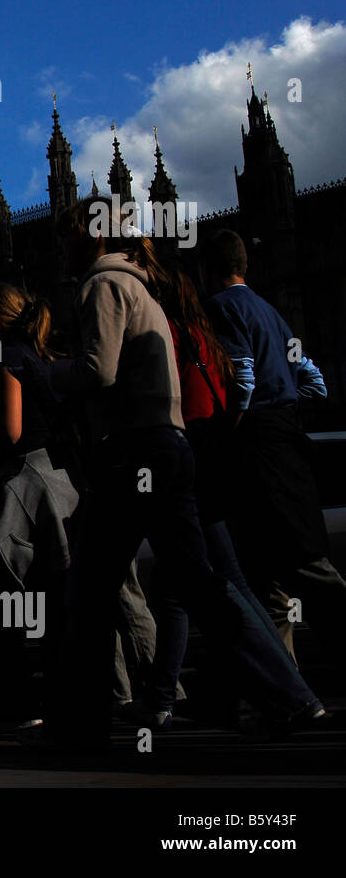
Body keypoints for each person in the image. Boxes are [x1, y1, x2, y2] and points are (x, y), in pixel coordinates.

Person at [41, 197, 324, 750]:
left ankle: (77, 727)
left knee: (89, 592)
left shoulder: (103, 284)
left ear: (92, 239)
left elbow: (99, 372)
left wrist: (50, 373)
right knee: (204, 587)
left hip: (133, 453)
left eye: (66, 239)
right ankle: (294, 698)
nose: (59, 250)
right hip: (168, 447)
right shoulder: (142, 284)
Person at [135, 260, 320, 729]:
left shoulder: (173, 337)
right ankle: (270, 693)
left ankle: (279, 695)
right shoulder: (209, 335)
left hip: (189, 459)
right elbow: (289, 381)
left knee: (195, 587)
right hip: (215, 459)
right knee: (221, 582)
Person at [198, 229, 346, 666]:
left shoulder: (220, 308)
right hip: (285, 442)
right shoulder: (270, 311)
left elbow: (242, 374)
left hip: (258, 449)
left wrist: (237, 420)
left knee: (300, 570)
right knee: (270, 579)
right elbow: (315, 383)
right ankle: (290, 696)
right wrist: (283, 402)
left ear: (209, 268)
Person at [0, 283, 80, 728]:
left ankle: (11, 706)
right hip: (63, 481)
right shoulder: (48, 356)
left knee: (3, 597)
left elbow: (13, 431)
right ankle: (61, 703)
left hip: (24, 483)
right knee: (57, 597)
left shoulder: (6, 356)